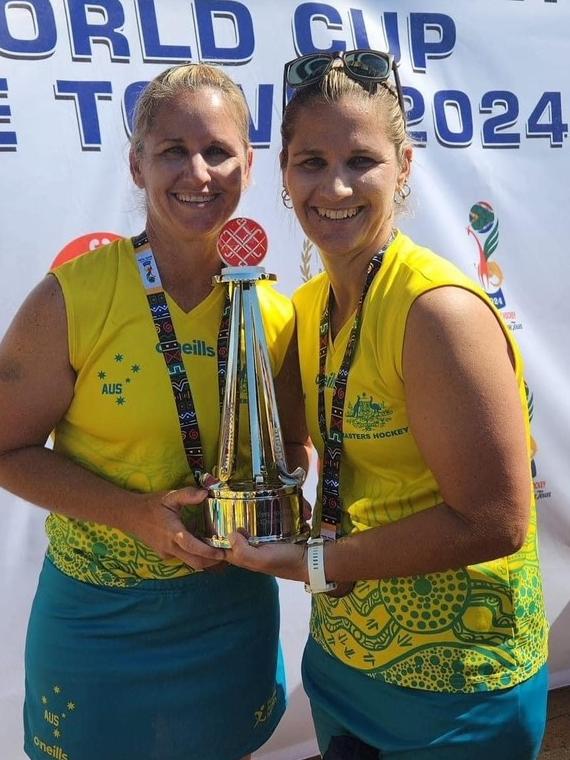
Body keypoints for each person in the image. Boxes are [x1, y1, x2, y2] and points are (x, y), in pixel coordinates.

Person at [226, 50, 549, 759]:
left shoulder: (437, 314)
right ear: (283, 172)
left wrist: (312, 562)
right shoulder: (304, 309)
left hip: (459, 688)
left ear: (403, 166)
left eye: (361, 161)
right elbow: (294, 450)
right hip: (343, 665)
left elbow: (495, 521)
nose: (335, 186)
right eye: (310, 161)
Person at [0, 63, 309, 760]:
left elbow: (292, 449)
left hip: (230, 612)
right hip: (99, 622)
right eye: (173, 150)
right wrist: (136, 515)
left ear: (250, 166)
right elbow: (6, 447)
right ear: (137, 165)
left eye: (218, 151)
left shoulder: (272, 309)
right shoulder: (72, 296)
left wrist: (277, 500)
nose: (198, 172)